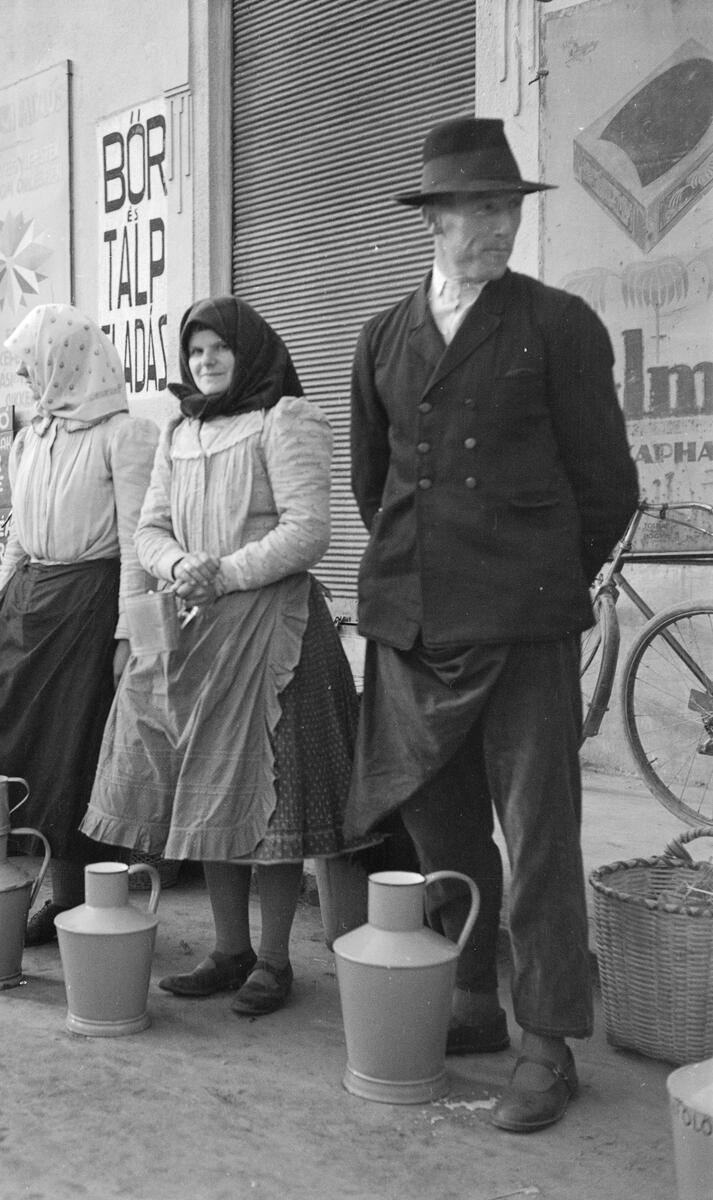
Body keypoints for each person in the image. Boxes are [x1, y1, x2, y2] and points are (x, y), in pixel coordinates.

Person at [346, 116, 639, 1132]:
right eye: (477, 208)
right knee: (435, 818)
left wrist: (544, 579)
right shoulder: (381, 336)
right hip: (413, 623)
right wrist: (420, 575)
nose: (498, 225)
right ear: (432, 219)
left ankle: (548, 1042)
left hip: (522, 624)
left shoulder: (558, 325)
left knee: (540, 830)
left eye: (507, 206)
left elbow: (607, 486)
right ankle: (472, 995)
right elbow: (374, 486)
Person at [82, 296, 364, 1016]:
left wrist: (225, 572)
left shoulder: (285, 420)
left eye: (219, 348)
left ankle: (274, 960)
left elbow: (308, 530)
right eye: (195, 350)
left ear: (250, 353)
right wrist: (179, 566)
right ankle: (229, 949)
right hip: (196, 630)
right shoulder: (180, 430)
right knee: (202, 783)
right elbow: (149, 529)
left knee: (271, 801)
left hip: (274, 631)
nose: (205, 361)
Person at [0, 303, 158, 943]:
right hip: (28, 604)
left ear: (66, 361)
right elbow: (18, 534)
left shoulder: (125, 436)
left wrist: (129, 634)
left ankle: (87, 903)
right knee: (22, 753)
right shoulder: (31, 438)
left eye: (30, 364)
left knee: (76, 756)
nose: (25, 378)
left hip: (88, 608)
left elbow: (139, 543)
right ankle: (35, 888)